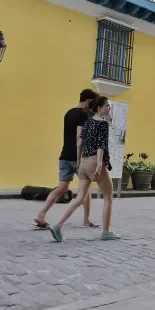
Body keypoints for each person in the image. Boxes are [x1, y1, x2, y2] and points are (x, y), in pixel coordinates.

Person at [50, 96, 120, 242]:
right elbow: (101, 145)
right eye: (107, 106)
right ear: (100, 107)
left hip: (83, 163)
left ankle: (58, 225)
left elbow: (79, 142)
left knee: (79, 197)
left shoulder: (87, 122)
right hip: (95, 162)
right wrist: (100, 164)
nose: (109, 108)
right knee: (108, 197)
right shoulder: (103, 124)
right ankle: (106, 232)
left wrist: (79, 160)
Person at [33, 89, 98, 229]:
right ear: (88, 100)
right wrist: (82, 158)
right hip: (77, 156)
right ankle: (86, 220)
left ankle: (41, 215)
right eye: (93, 102)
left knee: (62, 188)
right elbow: (79, 137)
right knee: (85, 189)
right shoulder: (84, 115)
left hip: (64, 155)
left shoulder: (69, 113)